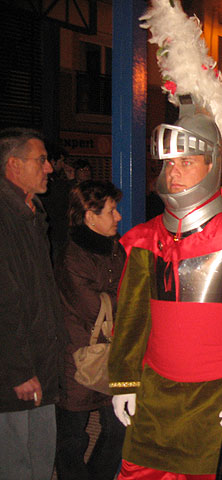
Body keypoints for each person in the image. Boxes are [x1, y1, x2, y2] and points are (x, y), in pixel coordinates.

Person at [108, 101, 222, 479]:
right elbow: (132, 319)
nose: (173, 172)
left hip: (218, 397)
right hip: (156, 396)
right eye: (169, 163)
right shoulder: (145, 239)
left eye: (186, 162)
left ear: (212, 165)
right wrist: (124, 379)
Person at [0, 127, 67, 480]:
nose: (49, 168)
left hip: (38, 361)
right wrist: (18, 370)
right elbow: (5, 301)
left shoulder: (31, 211)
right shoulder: (5, 216)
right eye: (40, 160)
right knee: (16, 462)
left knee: (41, 457)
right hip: (16, 372)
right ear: (13, 165)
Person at [54, 180, 126, 480]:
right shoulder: (71, 255)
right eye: (111, 211)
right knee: (72, 436)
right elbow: (91, 307)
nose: (118, 216)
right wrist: (121, 299)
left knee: (118, 429)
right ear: (90, 216)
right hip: (78, 358)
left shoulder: (114, 247)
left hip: (110, 354)